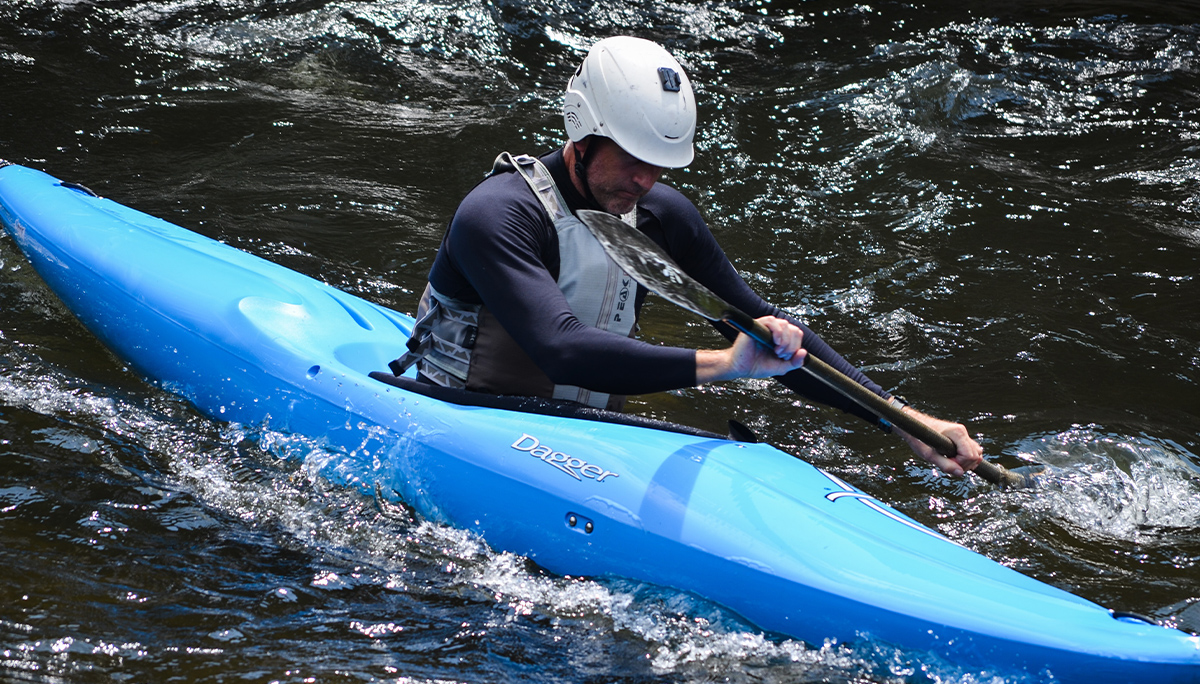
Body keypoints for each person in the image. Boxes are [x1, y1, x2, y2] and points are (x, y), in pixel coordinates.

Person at [395, 36, 982, 478]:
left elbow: (768, 328)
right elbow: (562, 352)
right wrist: (727, 364)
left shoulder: (660, 216)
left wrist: (905, 421)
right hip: (468, 418)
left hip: (589, 436)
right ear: (583, 130)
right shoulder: (498, 213)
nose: (646, 180)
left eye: (660, 165)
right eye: (631, 158)